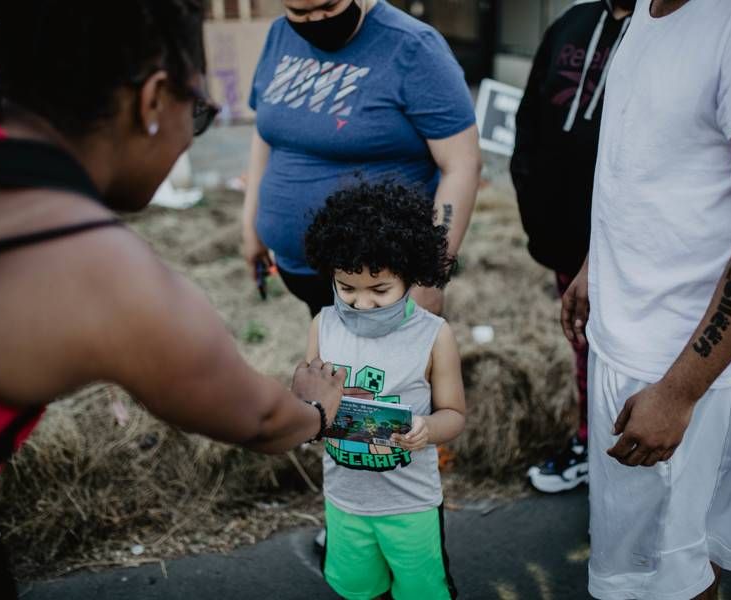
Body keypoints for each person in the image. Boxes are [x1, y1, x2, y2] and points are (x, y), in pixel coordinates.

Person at [0, 2, 346, 597]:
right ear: (153, 100)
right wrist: (320, 412)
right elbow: (258, 418)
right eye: (198, 111)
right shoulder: (104, 277)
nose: (191, 129)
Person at [560, 0, 731, 597]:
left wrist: (680, 392)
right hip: (638, 344)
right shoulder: (647, 12)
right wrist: (595, 262)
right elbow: (650, 164)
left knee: (668, 583)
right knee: (658, 573)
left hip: (692, 371)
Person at [242, 0, 481, 318]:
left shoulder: (413, 46)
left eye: (327, 7)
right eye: (298, 12)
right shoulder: (278, 35)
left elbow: (462, 165)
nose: (314, 20)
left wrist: (431, 279)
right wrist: (251, 225)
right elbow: (266, 136)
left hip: (379, 284)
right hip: (301, 271)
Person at [304, 181, 465, 600]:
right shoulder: (323, 325)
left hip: (409, 504)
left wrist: (426, 429)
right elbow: (309, 399)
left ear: (410, 275)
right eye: (347, 287)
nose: (361, 303)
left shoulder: (434, 335)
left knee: (421, 592)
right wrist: (307, 417)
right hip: (344, 501)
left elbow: (455, 415)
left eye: (380, 290)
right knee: (357, 590)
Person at [511, 0, 634, 494]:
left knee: (628, 356)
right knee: (583, 345)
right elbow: (529, 116)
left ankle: (625, 471)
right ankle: (588, 444)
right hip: (563, 233)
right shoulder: (572, 22)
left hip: (629, 241)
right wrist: (530, 194)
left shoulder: (664, 28)